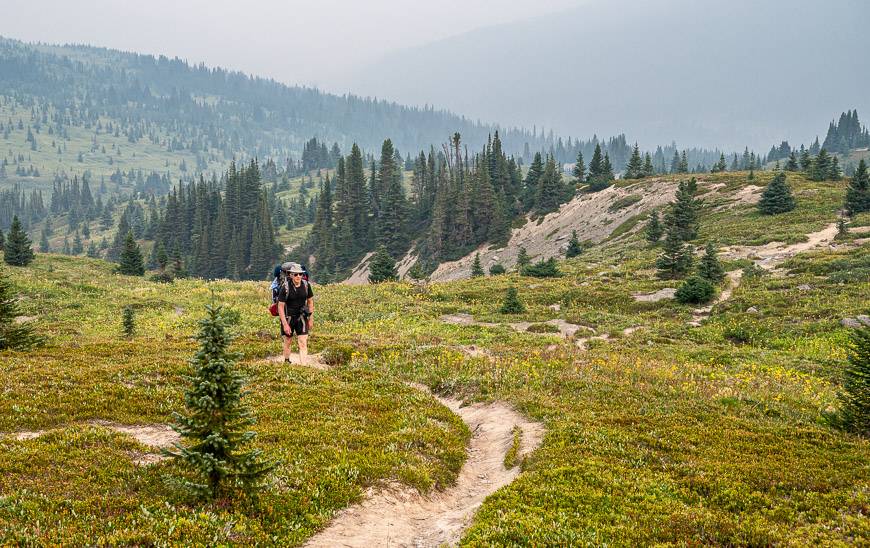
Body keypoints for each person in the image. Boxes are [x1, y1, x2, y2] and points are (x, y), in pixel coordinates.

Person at [277, 262, 314, 365]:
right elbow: (280, 306)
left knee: (303, 342)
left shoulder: (306, 285)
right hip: (288, 318)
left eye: (300, 274)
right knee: (288, 341)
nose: (298, 276)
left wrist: (311, 318)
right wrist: (285, 324)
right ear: (291, 275)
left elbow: (310, 301)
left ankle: (304, 366)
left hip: (302, 317)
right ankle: (287, 361)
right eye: (296, 274)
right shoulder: (285, 287)